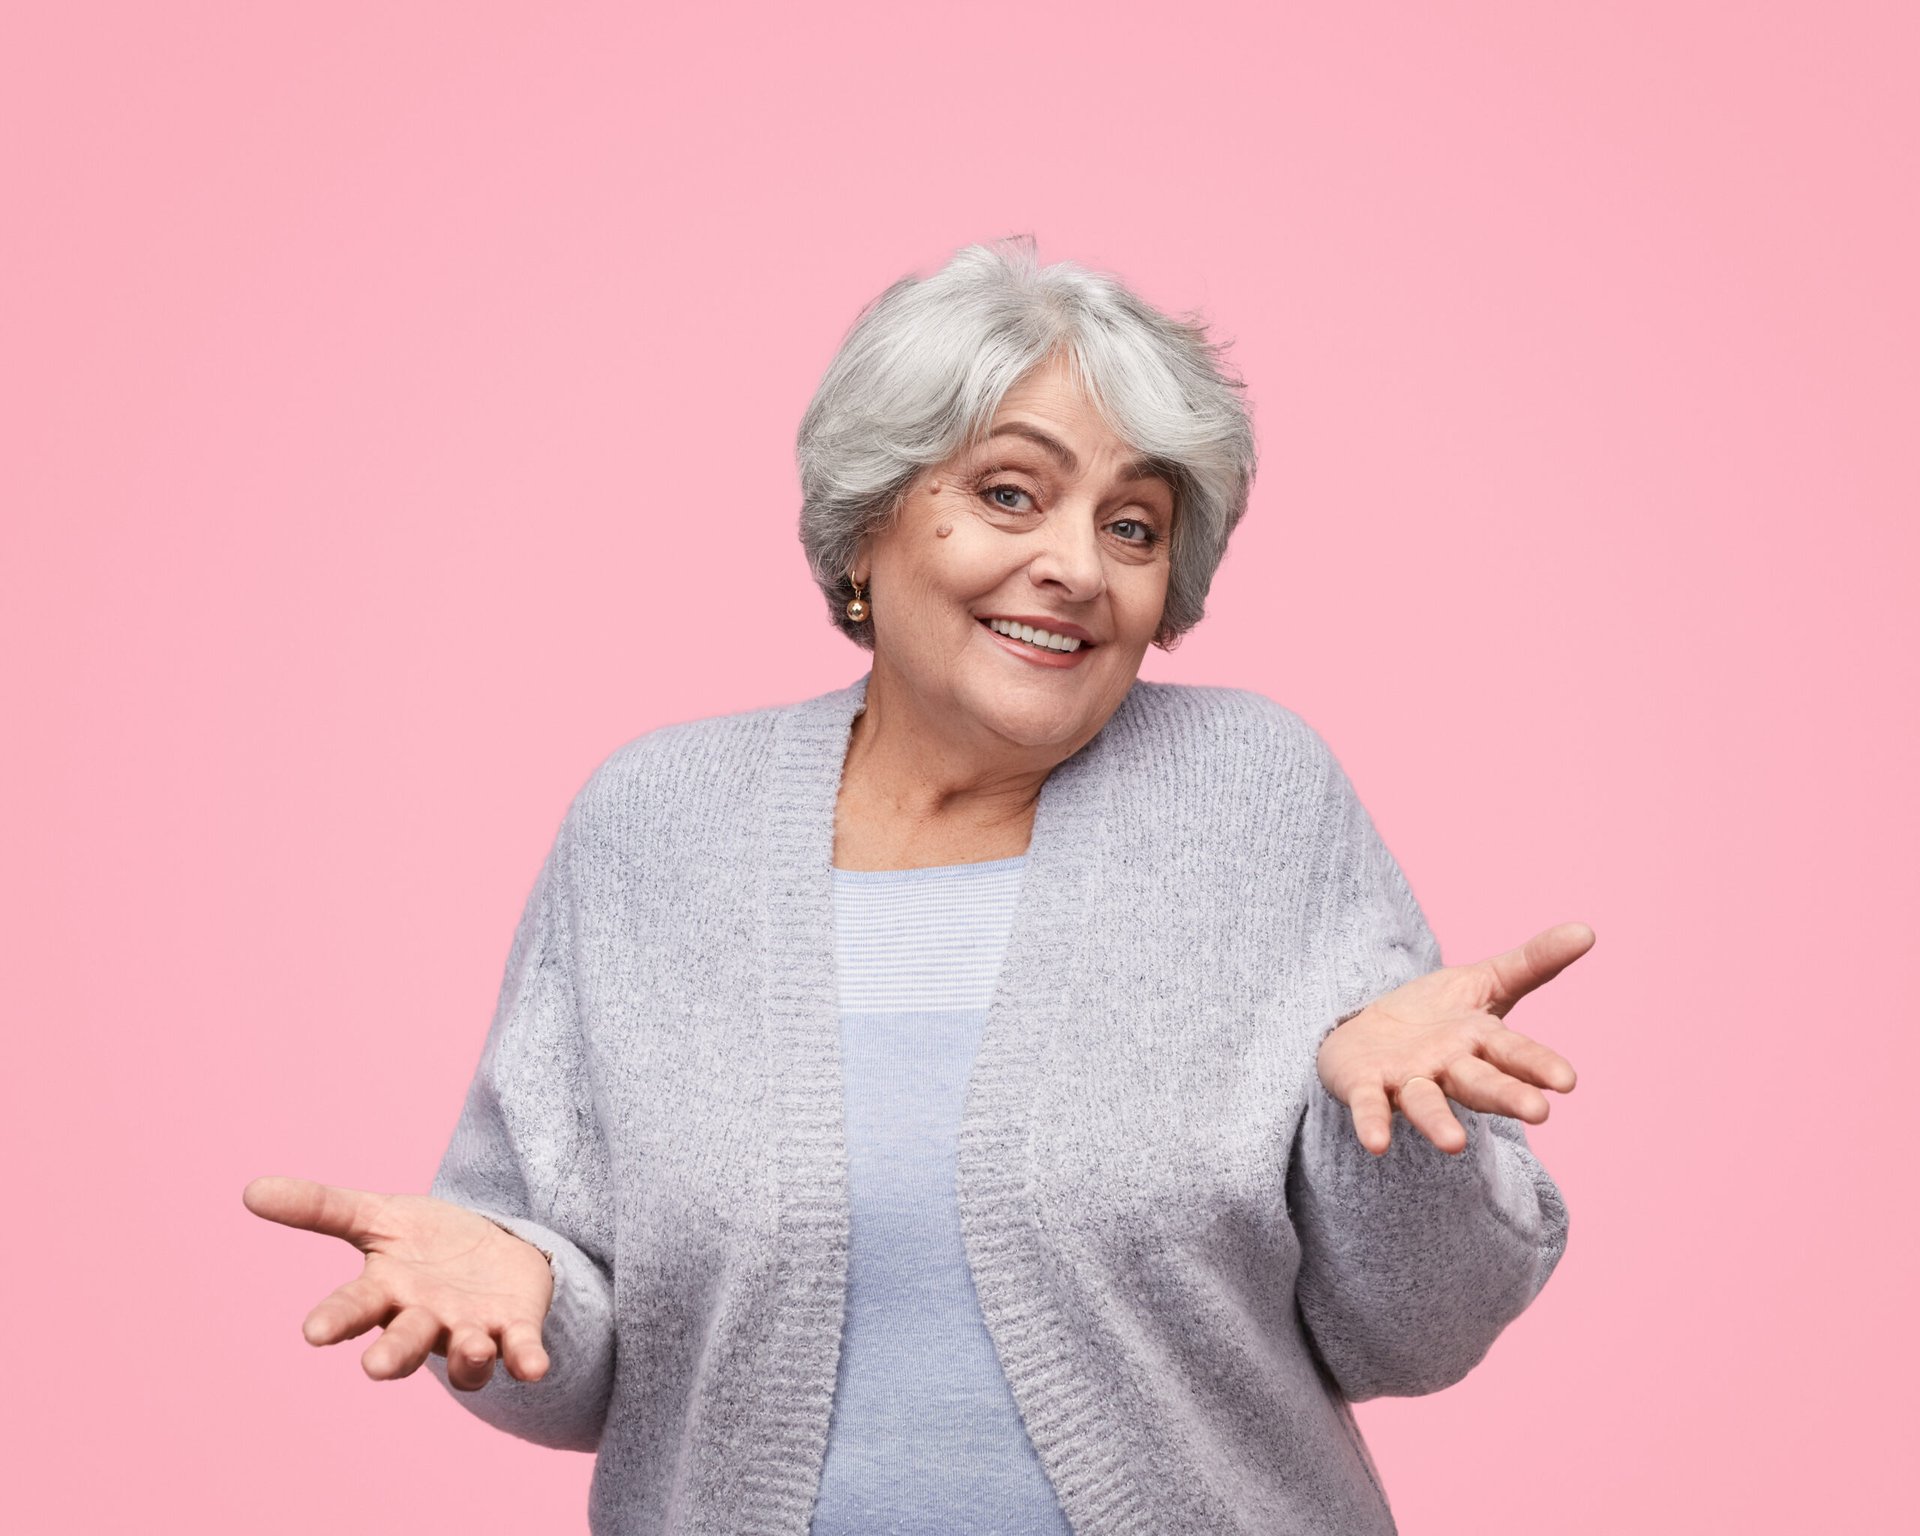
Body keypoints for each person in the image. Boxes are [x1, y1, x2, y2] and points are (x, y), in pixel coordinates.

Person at [245, 235, 1587, 1535]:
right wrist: (516, 1291)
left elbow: (1416, 1334)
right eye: (1010, 492)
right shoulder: (653, 827)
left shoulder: (1255, 795)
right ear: (868, 528)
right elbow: (594, 1354)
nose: (1074, 565)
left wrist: (1408, 1137)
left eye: (1132, 525)